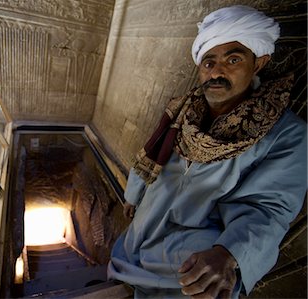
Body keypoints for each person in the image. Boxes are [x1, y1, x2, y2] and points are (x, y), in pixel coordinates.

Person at [107, 5, 307, 299]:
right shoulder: (181, 110)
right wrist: (133, 195)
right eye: (208, 62)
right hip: (144, 225)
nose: (217, 72)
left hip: (191, 259)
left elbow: (270, 207)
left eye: (233, 59)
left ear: (259, 63)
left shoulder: (287, 133)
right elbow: (150, 155)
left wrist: (228, 253)